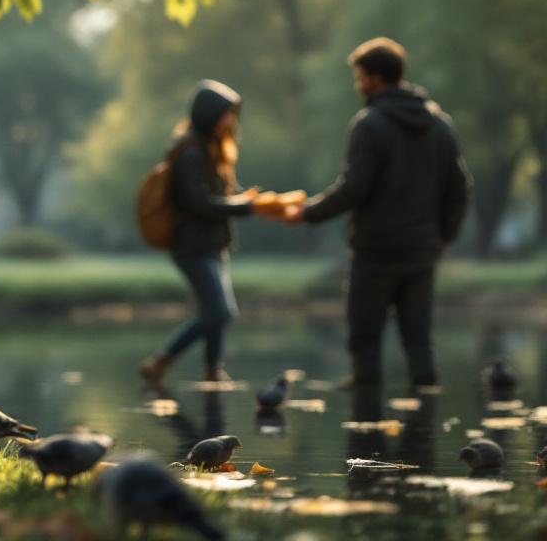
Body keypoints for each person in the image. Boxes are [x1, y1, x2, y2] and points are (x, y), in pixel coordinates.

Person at [281, 38, 470, 390]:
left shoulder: (369, 124)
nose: (358, 85)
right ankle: (424, 425)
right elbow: (459, 187)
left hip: (375, 253)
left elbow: (353, 188)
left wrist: (307, 214)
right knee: (418, 339)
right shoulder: (440, 124)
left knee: (364, 339)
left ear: (374, 78)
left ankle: (366, 421)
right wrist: (445, 236)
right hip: (421, 252)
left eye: (360, 77)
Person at [139, 81, 274, 386]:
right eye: (225, 114)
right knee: (221, 312)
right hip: (192, 246)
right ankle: (160, 361)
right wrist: (245, 208)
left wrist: (254, 201)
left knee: (214, 312)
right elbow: (199, 203)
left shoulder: (211, 149)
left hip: (213, 244)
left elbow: (223, 193)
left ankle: (213, 371)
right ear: (208, 114)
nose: (230, 121)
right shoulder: (189, 153)